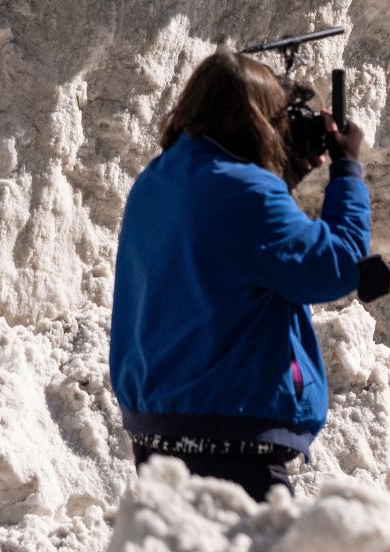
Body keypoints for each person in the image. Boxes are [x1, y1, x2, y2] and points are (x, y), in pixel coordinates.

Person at [109, 49, 372, 500]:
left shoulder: (158, 179)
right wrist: (347, 172)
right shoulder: (246, 193)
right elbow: (339, 267)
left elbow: (233, 247)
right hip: (228, 430)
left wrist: (281, 176)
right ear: (259, 121)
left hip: (159, 426)